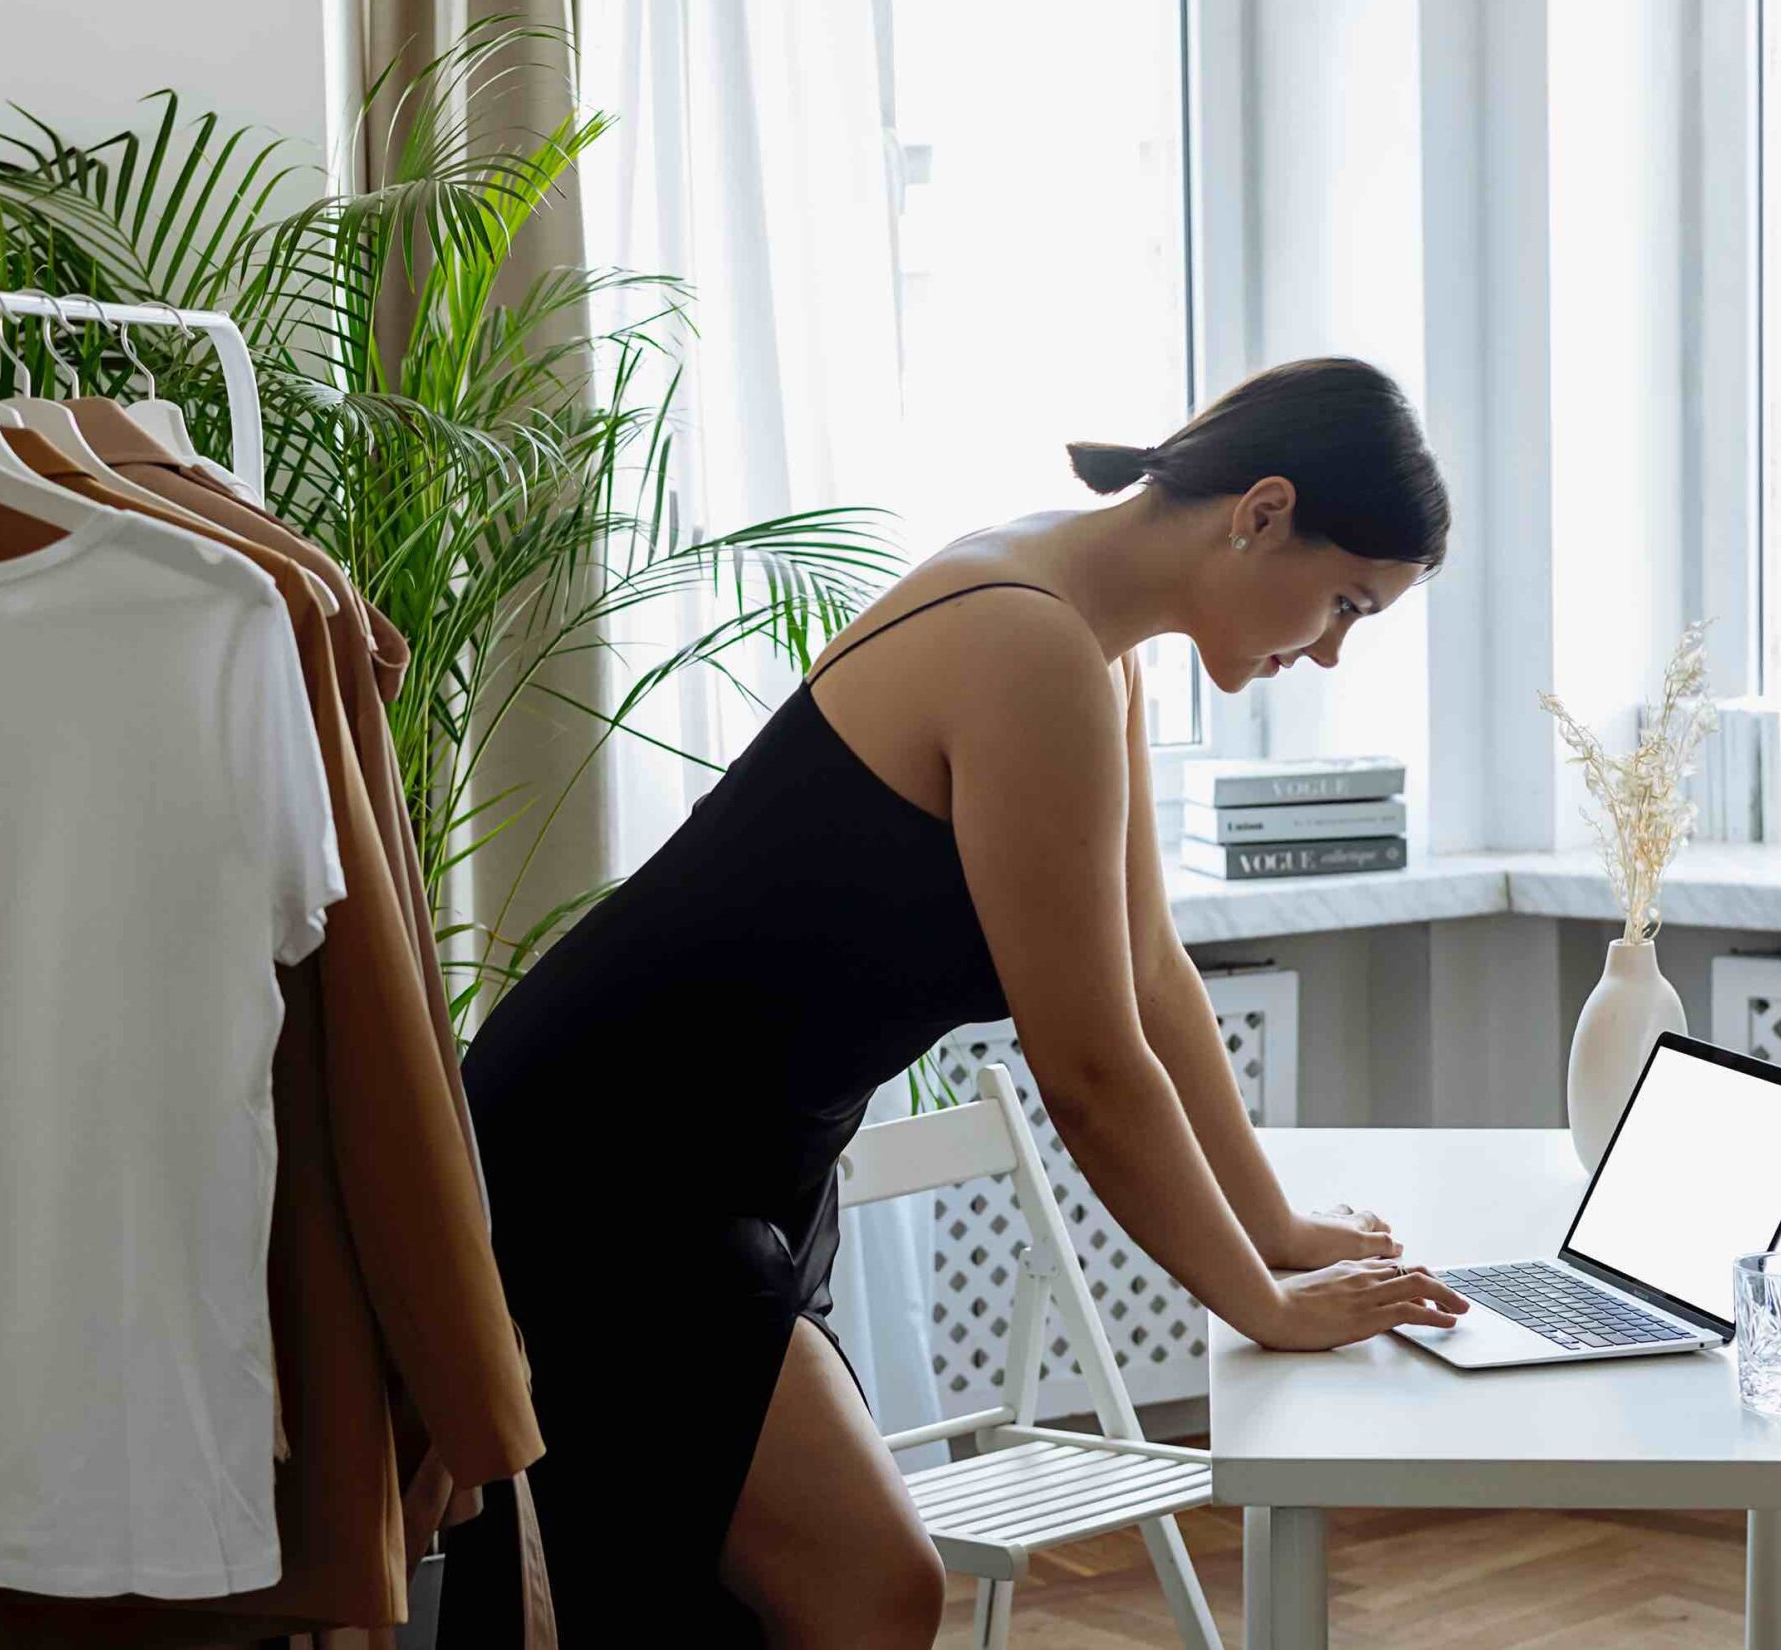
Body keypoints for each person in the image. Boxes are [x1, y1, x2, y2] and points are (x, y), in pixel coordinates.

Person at [439, 356, 1465, 1647]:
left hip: (722, 1167)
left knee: (746, 1604)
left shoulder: (1089, 647)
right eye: (1343, 605)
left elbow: (1152, 975)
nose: (1324, 652)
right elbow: (1090, 1071)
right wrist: (1258, 1308)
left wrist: (1276, 1227)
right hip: (609, 1166)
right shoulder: (1027, 644)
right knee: (875, 1583)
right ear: (1262, 511)